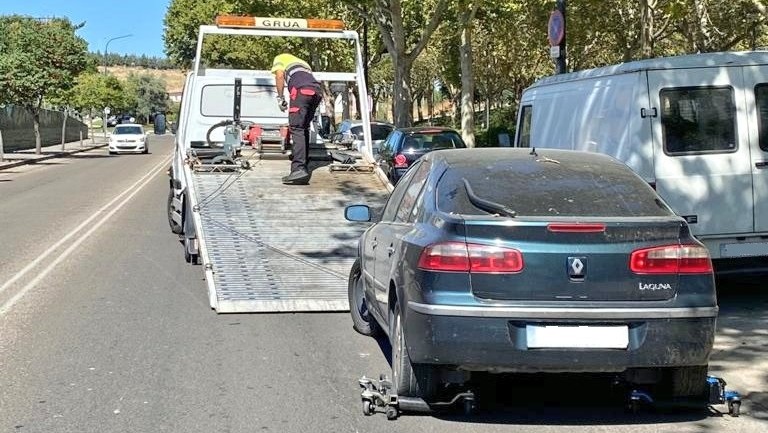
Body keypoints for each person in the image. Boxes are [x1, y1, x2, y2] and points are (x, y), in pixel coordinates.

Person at [271, 53, 323, 185]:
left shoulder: (280, 58)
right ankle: (302, 161)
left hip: (301, 90)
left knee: (296, 127)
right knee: (304, 126)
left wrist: (280, 97)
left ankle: (298, 169)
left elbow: (279, 75)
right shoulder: (303, 63)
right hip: (316, 92)